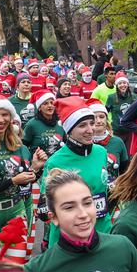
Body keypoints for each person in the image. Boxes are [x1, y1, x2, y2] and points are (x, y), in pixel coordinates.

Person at [0, 98, 46, 231]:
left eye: (5, 115)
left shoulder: (17, 144)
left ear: (11, 118)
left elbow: (24, 182)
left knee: (18, 252)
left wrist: (35, 168)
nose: (1, 120)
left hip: (16, 209)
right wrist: (13, 181)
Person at [43, 97, 110, 240]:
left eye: (91, 123)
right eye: (82, 125)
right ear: (69, 130)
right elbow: (47, 209)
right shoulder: (55, 162)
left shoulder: (101, 152)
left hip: (102, 230)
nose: (90, 130)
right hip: (70, 238)